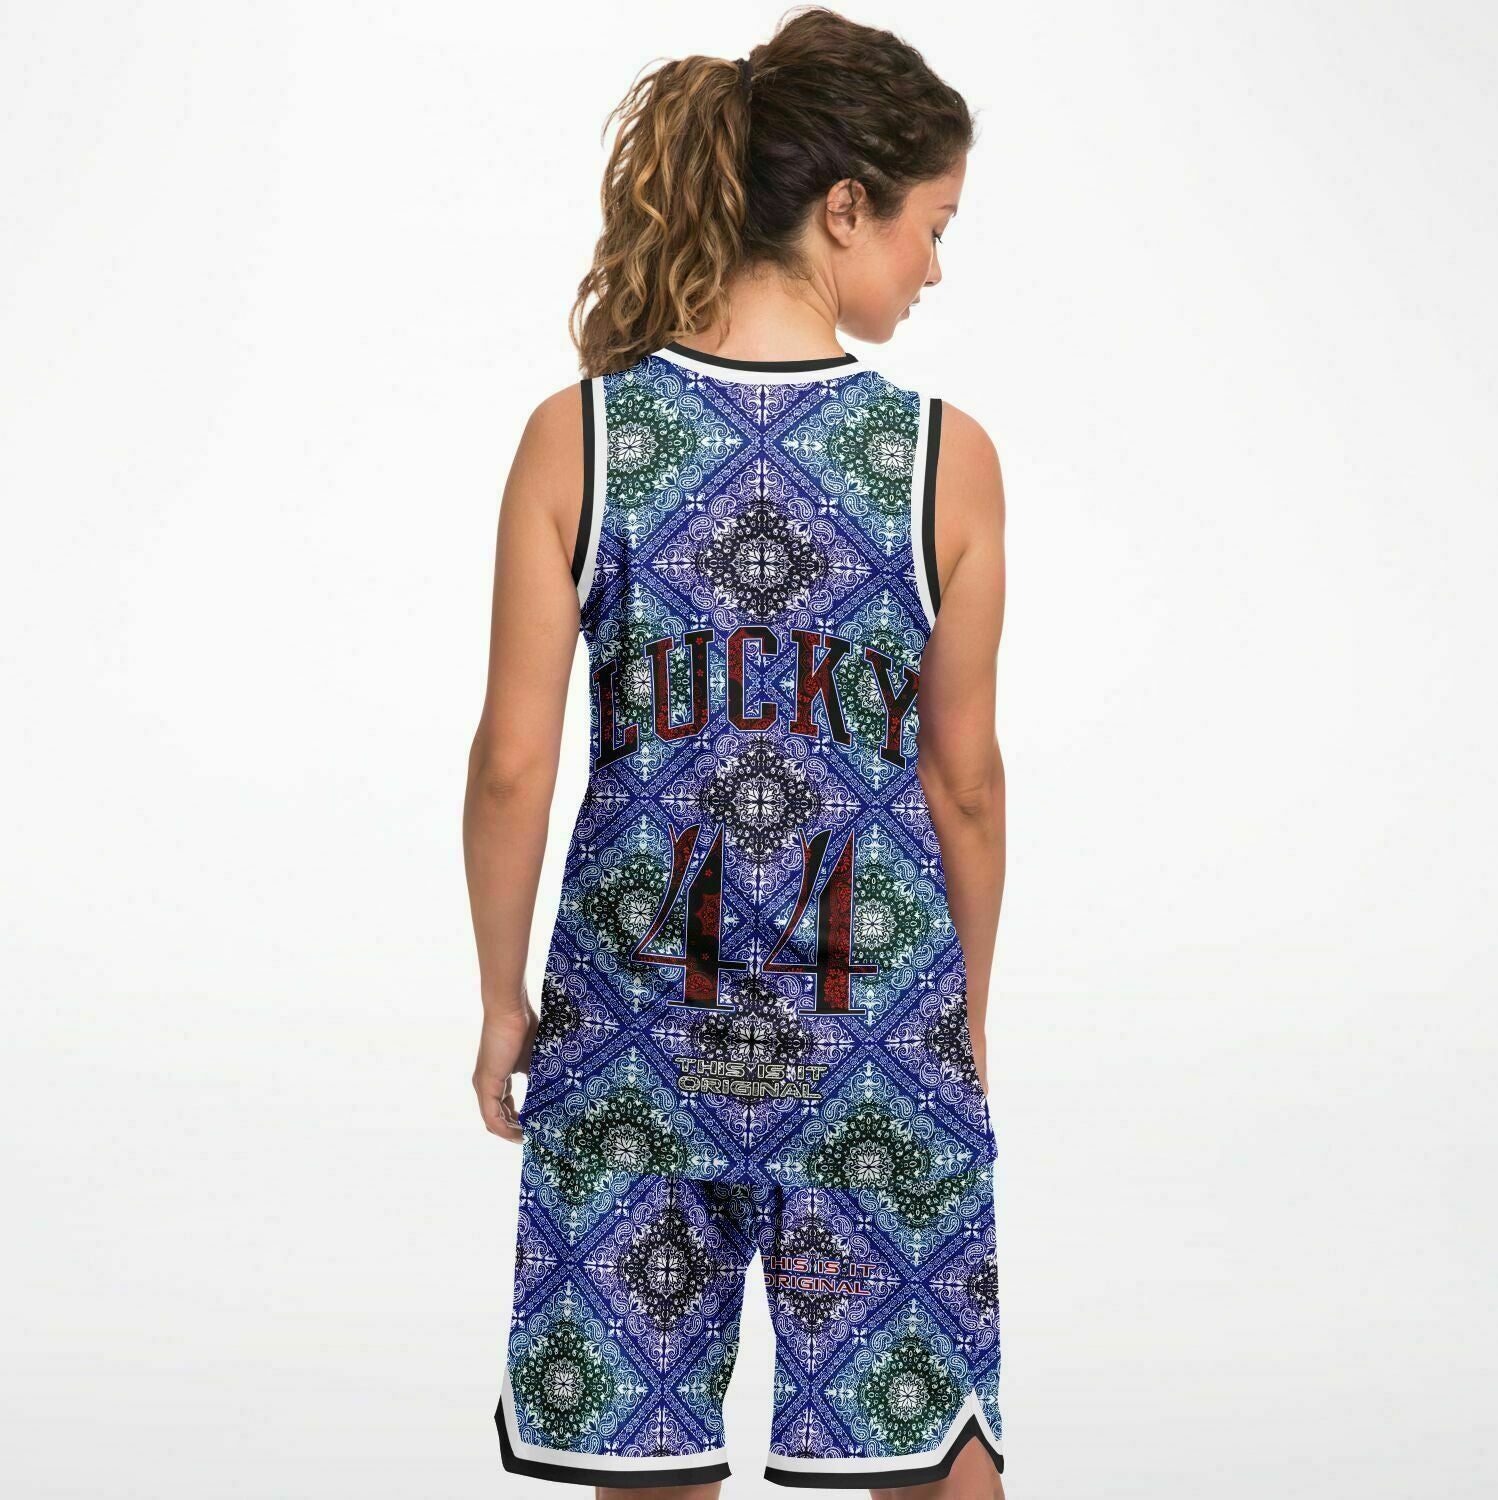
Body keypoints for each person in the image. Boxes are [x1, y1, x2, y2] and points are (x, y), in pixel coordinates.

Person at [464, 8, 1008, 1496]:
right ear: (845, 207)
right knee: (931, 1451)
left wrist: (503, 1002)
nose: (934, 268)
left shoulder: (578, 437)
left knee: (642, 1461)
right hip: (870, 1031)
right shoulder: (941, 460)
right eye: (931, 227)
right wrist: (959, 1017)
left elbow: (513, 763)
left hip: (633, 1035)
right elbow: (963, 781)